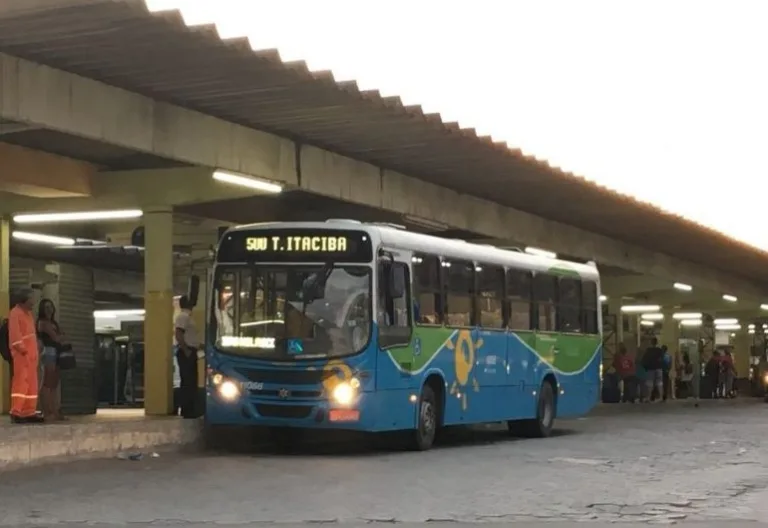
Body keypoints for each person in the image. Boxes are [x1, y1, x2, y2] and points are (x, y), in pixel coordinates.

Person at [9, 288, 43, 424]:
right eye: (31, 298)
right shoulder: (15, 313)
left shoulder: (28, 314)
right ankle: (16, 411)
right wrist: (22, 349)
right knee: (21, 383)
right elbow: (15, 334)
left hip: (31, 355)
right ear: (24, 299)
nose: (34, 302)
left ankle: (29, 411)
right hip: (22, 355)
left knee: (32, 384)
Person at [37, 299, 67, 421]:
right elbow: (57, 338)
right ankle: (47, 411)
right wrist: (60, 336)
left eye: (51, 306)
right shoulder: (43, 323)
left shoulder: (53, 323)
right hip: (48, 352)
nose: (49, 309)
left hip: (56, 352)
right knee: (47, 383)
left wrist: (60, 337)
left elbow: (60, 337)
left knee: (54, 384)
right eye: (46, 307)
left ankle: (54, 410)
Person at [174, 295, 200, 419]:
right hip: (187, 352)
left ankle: (189, 408)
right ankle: (187, 410)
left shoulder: (187, 317)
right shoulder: (183, 317)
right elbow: (179, 333)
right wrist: (186, 350)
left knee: (191, 381)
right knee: (188, 381)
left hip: (190, 350)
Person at [641, 337, 665, 403]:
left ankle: (648, 397)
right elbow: (662, 359)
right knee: (659, 383)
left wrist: (645, 367)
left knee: (649, 383)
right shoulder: (660, 350)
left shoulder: (648, 350)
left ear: (651, 342)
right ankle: (660, 397)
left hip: (650, 368)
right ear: (657, 342)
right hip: (659, 368)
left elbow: (644, 359)